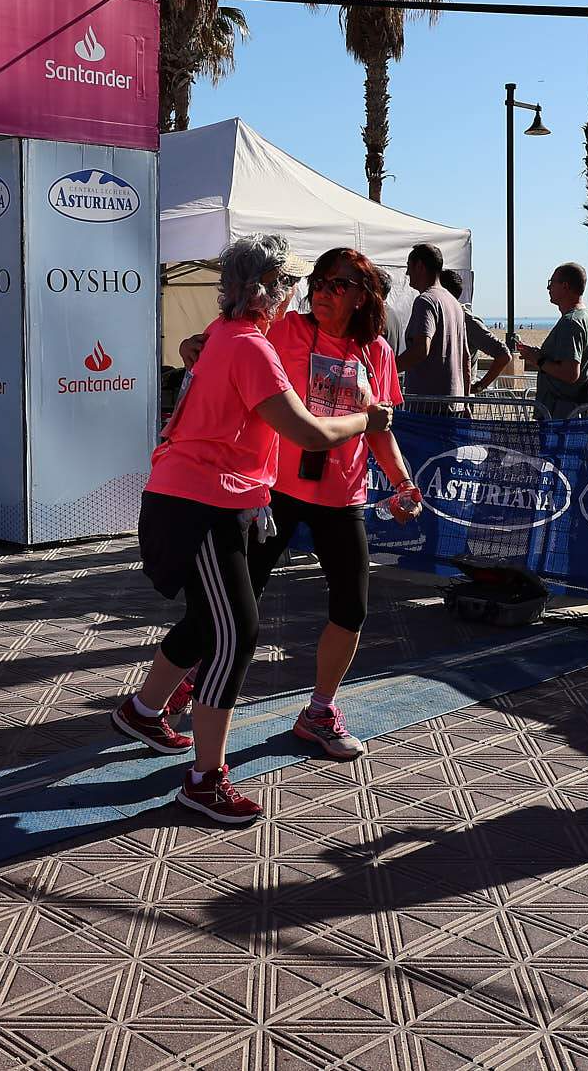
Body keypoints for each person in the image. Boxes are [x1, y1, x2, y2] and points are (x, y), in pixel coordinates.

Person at [114, 234, 389, 824]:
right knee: (235, 635)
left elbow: (204, 355)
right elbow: (310, 433)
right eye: (296, 283)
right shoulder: (252, 347)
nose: (303, 293)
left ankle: (143, 711)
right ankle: (205, 781)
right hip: (204, 504)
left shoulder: (224, 335)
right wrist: (365, 418)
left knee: (212, 623)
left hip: (201, 500)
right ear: (270, 290)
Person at [248, 247, 419, 759]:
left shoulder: (378, 354)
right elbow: (239, 353)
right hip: (275, 486)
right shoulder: (288, 331)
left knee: (351, 606)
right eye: (319, 282)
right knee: (236, 598)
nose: (323, 291)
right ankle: (188, 681)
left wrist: (403, 484)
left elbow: (380, 428)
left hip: (342, 493)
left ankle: (319, 709)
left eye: (337, 285)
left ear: (363, 295)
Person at [514, 262, 588, 420]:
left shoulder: (571, 322)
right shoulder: (584, 317)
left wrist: (538, 359)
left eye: (551, 283)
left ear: (565, 286)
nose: (548, 289)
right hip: (567, 411)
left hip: (561, 415)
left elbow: (570, 373)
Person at [396, 243, 469, 400]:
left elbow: (421, 350)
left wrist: (387, 369)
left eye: (409, 266)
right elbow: (465, 357)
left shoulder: (426, 301)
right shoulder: (454, 303)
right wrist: (466, 400)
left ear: (420, 266)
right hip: (454, 400)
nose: (407, 272)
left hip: (428, 405)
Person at [438, 268, 513, 393]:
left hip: (458, 401)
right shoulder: (438, 316)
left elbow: (504, 355)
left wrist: (479, 386)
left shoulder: (467, 320)